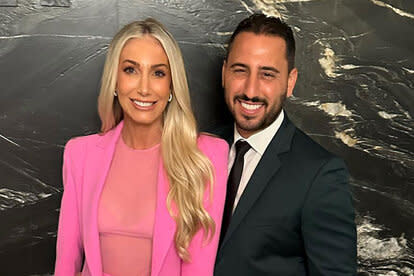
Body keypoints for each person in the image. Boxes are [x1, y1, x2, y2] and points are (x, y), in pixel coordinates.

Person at [54, 18, 228, 276]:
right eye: (130, 70)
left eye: (158, 73)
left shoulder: (205, 157)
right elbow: (66, 264)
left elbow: (199, 269)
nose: (144, 88)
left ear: (171, 86)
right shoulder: (80, 154)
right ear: (115, 80)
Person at [214, 14, 357, 275]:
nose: (250, 89)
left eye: (267, 74)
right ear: (224, 73)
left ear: (290, 82)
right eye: (240, 70)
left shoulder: (320, 175)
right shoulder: (199, 148)